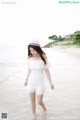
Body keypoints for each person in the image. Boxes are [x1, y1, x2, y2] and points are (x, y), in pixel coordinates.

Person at [24, 40, 54, 120]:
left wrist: (50, 83)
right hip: (31, 82)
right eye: (30, 50)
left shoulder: (43, 57)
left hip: (40, 83)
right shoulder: (29, 58)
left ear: (38, 48)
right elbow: (29, 70)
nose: (32, 52)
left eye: (33, 50)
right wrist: (26, 79)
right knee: (32, 101)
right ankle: (33, 115)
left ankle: (44, 108)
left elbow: (47, 71)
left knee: (39, 101)